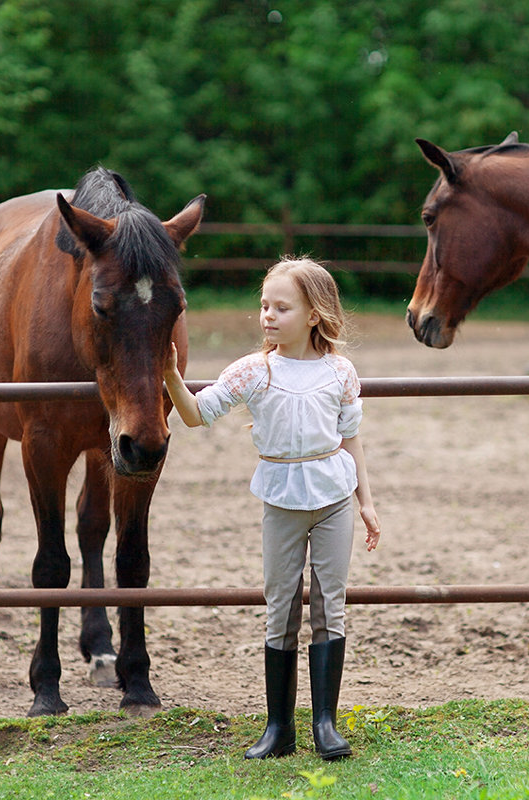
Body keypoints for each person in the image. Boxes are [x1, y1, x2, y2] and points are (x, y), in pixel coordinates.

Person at [164, 256, 381, 761]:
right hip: (280, 499)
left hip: (332, 498)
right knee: (280, 605)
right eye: (264, 306)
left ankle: (325, 723)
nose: (268, 315)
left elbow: (351, 440)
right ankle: (279, 726)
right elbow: (197, 415)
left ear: (312, 315)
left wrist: (365, 503)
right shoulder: (253, 371)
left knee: (331, 602)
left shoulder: (339, 372)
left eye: (282, 307)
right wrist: (173, 377)